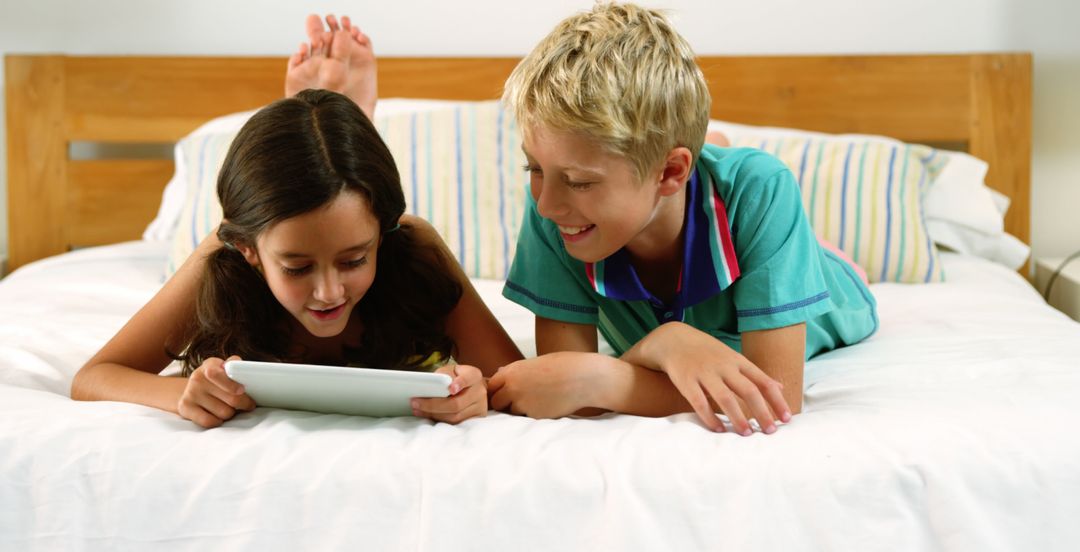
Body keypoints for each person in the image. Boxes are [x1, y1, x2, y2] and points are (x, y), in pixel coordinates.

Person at [485, 2, 879, 435]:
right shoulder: (559, 214)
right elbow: (561, 382)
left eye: (579, 181)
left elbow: (779, 396)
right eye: (534, 168)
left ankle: (711, 160)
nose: (546, 204)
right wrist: (662, 345)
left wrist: (607, 376)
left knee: (745, 198)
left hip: (836, 282)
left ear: (672, 172)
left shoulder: (764, 187)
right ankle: (704, 151)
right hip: (671, 191)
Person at [72, 83, 522, 427]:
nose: (328, 292)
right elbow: (94, 377)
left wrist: (476, 390)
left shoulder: (412, 247)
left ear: (380, 237)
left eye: (353, 260)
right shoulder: (224, 258)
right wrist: (180, 395)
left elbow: (512, 380)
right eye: (297, 267)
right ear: (249, 250)